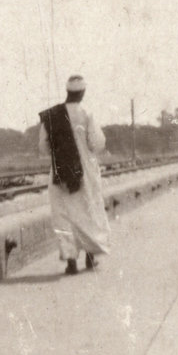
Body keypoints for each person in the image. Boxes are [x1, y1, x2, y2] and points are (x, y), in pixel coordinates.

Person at [38, 75, 109, 275]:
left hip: (60, 172)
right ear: (83, 93)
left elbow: (43, 147)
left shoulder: (52, 115)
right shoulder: (87, 113)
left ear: (67, 92)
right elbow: (97, 143)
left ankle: (70, 261)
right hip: (85, 173)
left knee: (63, 216)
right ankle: (90, 256)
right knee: (88, 213)